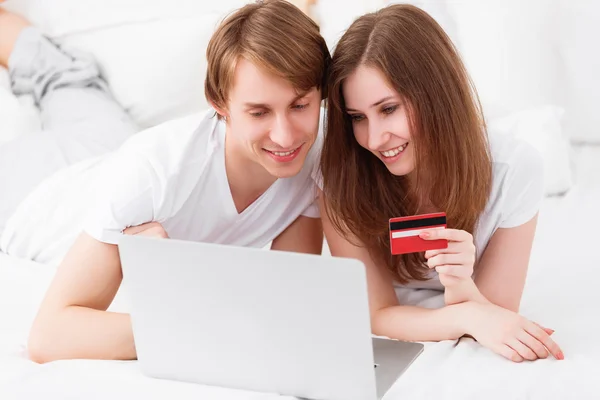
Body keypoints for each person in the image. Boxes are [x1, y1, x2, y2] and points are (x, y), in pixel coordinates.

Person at [0, 0, 330, 363]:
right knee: (65, 83)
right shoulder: (151, 173)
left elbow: (283, 301)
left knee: (69, 78)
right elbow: (50, 336)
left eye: (299, 105)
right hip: (38, 195)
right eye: (259, 112)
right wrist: (198, 323)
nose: (285, 137)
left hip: (112, 145)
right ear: (218, 103)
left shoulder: (314, 153)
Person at [318, 4, 564, 363]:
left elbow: (498, 312)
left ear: (434, 94)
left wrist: (461, 286)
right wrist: (466, 313)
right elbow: (377, 312)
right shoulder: (339, 166)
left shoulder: (515, 170)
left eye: (388, 109)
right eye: (357, 117)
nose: (373, 139)